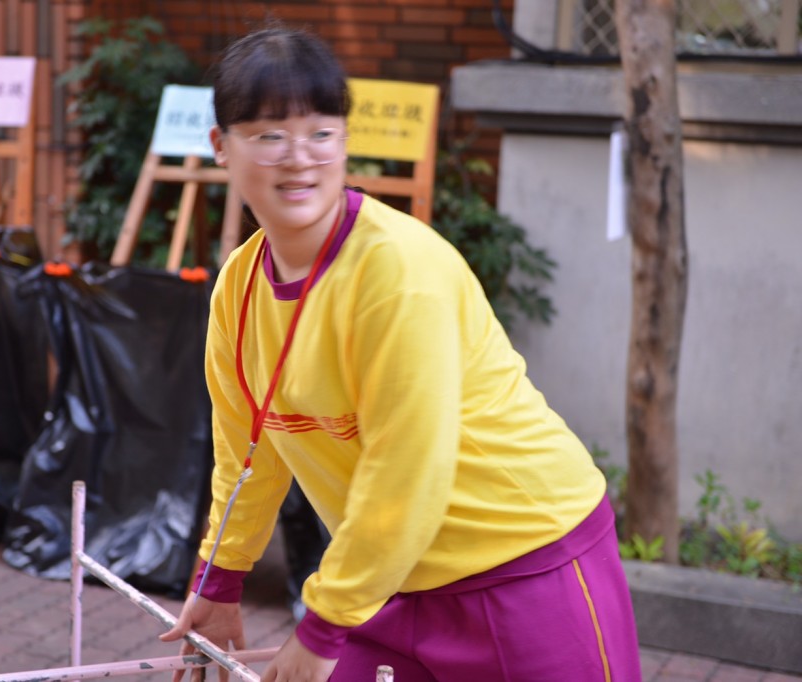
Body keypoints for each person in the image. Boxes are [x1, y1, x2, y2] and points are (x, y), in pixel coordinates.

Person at [160, 24, 641, 682]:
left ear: (345, 141)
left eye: (321, 133)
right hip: (390, 576)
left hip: (525, 562)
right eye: (270, 135)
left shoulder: (398, 274)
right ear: (221, 145)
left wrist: (324, 626)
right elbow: (248, 455)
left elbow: (406, 470)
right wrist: (219, 583)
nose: (300, 158)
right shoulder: (239, 290)